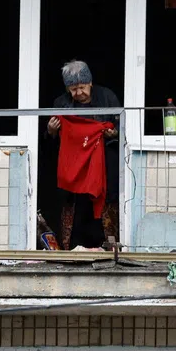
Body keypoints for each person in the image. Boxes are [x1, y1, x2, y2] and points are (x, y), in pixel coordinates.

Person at [46, 60, 120, 249]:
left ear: (90, 82)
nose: (78, 93)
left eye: (82, 87)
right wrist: (52, 130)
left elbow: (122, 127)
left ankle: (108, 248)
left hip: (102, 165)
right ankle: (72, 249)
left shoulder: (107, 98)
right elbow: (50, 140)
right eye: (73, 89)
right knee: (75, 207)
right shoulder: (61, 104)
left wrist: (115, 133)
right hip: (74, 167)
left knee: (104, 204)